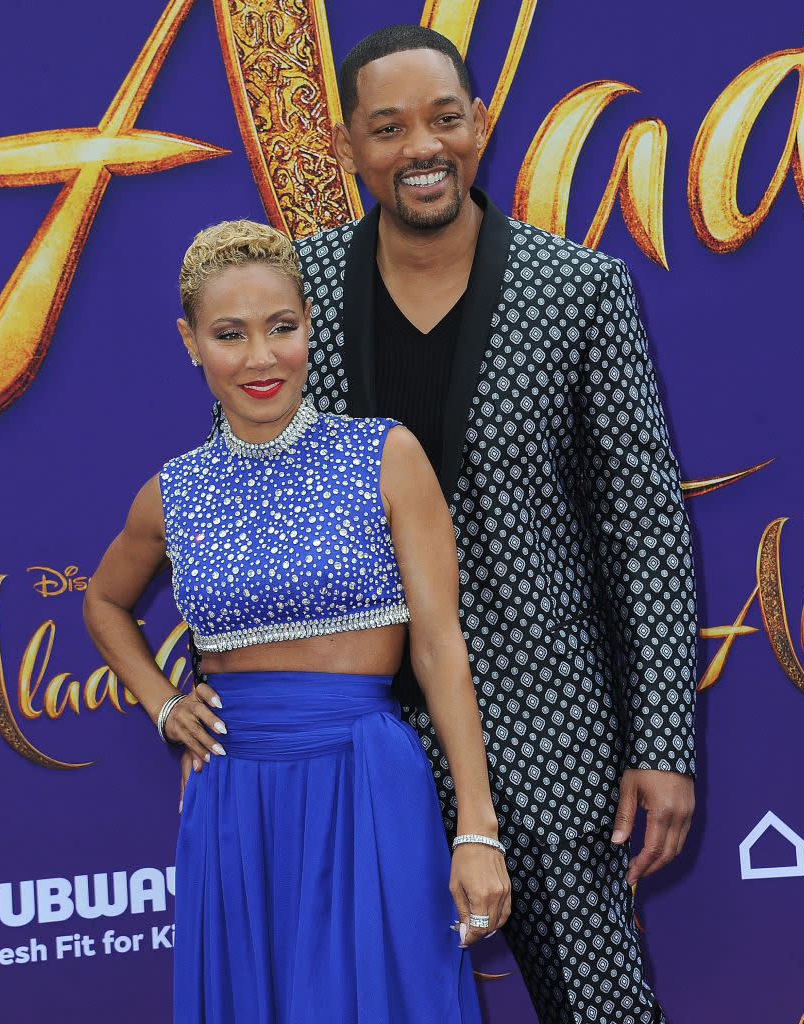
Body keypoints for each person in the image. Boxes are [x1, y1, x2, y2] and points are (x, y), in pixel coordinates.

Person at [288, 23, 697, 1024]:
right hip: (362, 734)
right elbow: (256, 503)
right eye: (388, 128)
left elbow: (643, 528)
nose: (421, 148)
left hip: (552, 725)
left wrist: (664, 742)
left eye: (444, 118)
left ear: (483, 125)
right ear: (349, 148)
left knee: (602, 1007)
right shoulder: (293, 292)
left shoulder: (580, 289)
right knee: (370, 1005)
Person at [83, 219, 510, 1024]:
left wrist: (478, 831)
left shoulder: (384, 455)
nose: (261, 358)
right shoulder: (172, 493)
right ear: (190, 342)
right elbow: (103, 602)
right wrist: (166, 704)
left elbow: (440, 645)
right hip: (233, 795)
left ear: (309, 323)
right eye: (229, 334)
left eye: (282, 327)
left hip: (369, 781)